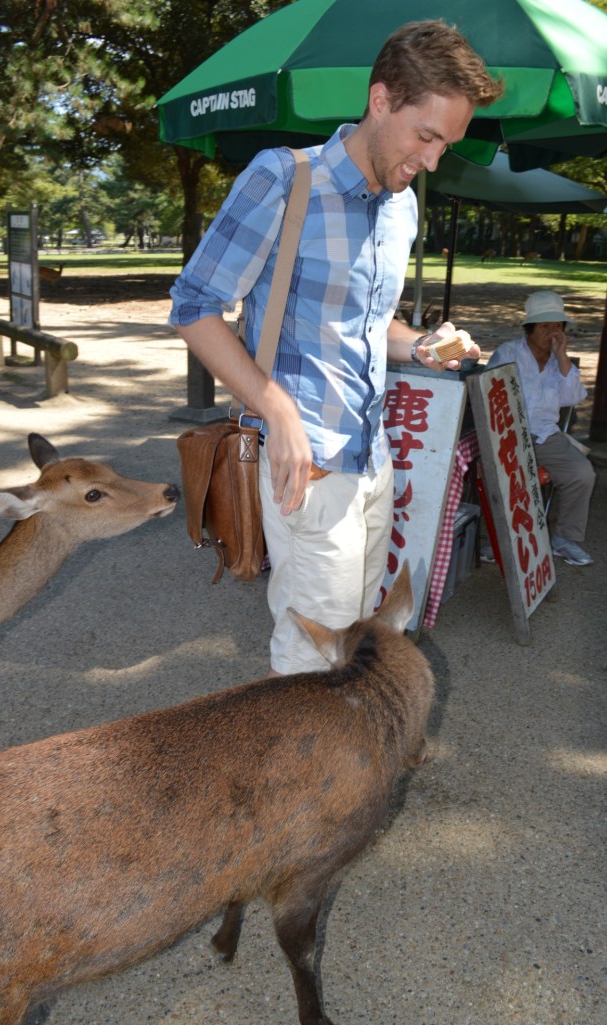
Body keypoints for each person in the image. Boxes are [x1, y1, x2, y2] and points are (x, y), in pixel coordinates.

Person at [169, 20, 503, 673]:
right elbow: (194, 307)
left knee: (357, 640)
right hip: (309, 466)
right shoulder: (284, 179)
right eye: (426, 135)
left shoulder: (401, 207)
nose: (434, 161)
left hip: (374, 460)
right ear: (381, 100)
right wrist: (278, 410)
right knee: (312, 665)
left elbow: (368, 325)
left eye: (448, 143)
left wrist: (424, 346)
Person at [486, 290, 596, 566]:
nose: (552, 332)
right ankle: (497, 540)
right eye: (545, 326)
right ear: (530, 328)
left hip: (545, 435)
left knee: (582, 473)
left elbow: (573, 398)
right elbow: (489, 392)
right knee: (507, 476)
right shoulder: (509, 352)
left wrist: (562, 357)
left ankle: (565, 538)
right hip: (509, 433)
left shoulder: (561, 362)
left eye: (557, 326)